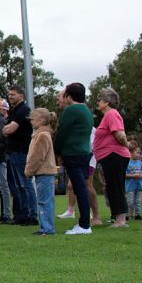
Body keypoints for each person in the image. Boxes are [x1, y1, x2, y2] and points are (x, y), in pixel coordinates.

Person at [53, 83, 98, 235]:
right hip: (85, 152)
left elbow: (62, 132)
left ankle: (84, 225)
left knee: (80, 189)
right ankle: (84, 222)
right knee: (82, 187)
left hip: (73, 154)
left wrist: (56, 151)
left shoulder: (71, 110)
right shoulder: (86, 110)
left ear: (69, 96)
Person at [93, 88, 131, 229]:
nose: (97, 102)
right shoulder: (107, 116)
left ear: (107, 102)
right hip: (109, 157)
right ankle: (118, 218)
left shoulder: (112, 114)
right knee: (112, 186)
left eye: (100, 99)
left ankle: (121, 220)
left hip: (115, 155)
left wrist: (127, 146)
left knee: (115, 186)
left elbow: (120, 135)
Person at [3, 86, 37, 226]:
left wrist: (7, 130)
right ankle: (22, 214)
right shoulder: (14, 111)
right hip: (14, 151)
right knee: (19, 185)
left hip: (21, 151)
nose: (10, 96)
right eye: (9, 94)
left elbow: (10, 129)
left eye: (13, 94)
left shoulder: (23, 110)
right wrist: (6, 130)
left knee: (26, 183)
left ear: (21, 96)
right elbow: (5, 129)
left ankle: (32, 215)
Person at [25, 108, 58, 236]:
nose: (31, 122)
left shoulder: (42, 135)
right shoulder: (42, 134)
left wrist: (29, 170)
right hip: (43, 173)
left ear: (42, 120)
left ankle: (48, 228)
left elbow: (37, 156)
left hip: (44, 173)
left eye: (33, 119)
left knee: (45, 202)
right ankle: (46, 227)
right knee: (45, 201)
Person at [125, 151, 142, 220]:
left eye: (139, 153)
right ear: (131, 153)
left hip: (140, 185)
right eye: (137, 153)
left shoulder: (140, 163)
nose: (139, 155)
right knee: (130, 201)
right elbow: (124, 174)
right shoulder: (127, 163)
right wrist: (134, 175)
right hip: (130, 185)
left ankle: (138, 215)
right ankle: (127, 215)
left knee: (138, 201)